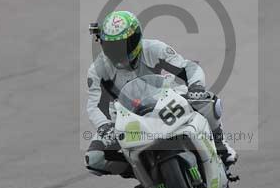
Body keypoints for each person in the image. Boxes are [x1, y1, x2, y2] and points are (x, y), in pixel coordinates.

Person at [84, 10, 238, 176]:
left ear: (136, 38)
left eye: (124, 44)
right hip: (127, 119)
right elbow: (95, 105)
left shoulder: (154, 49)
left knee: (209, 102)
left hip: (167, 100)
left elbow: (188, 67)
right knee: (94, 159)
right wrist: (105, 126)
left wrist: (196, 88)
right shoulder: (98, 69)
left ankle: (221, 147)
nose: (119, 52)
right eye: (112, 47)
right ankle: (143, 172)